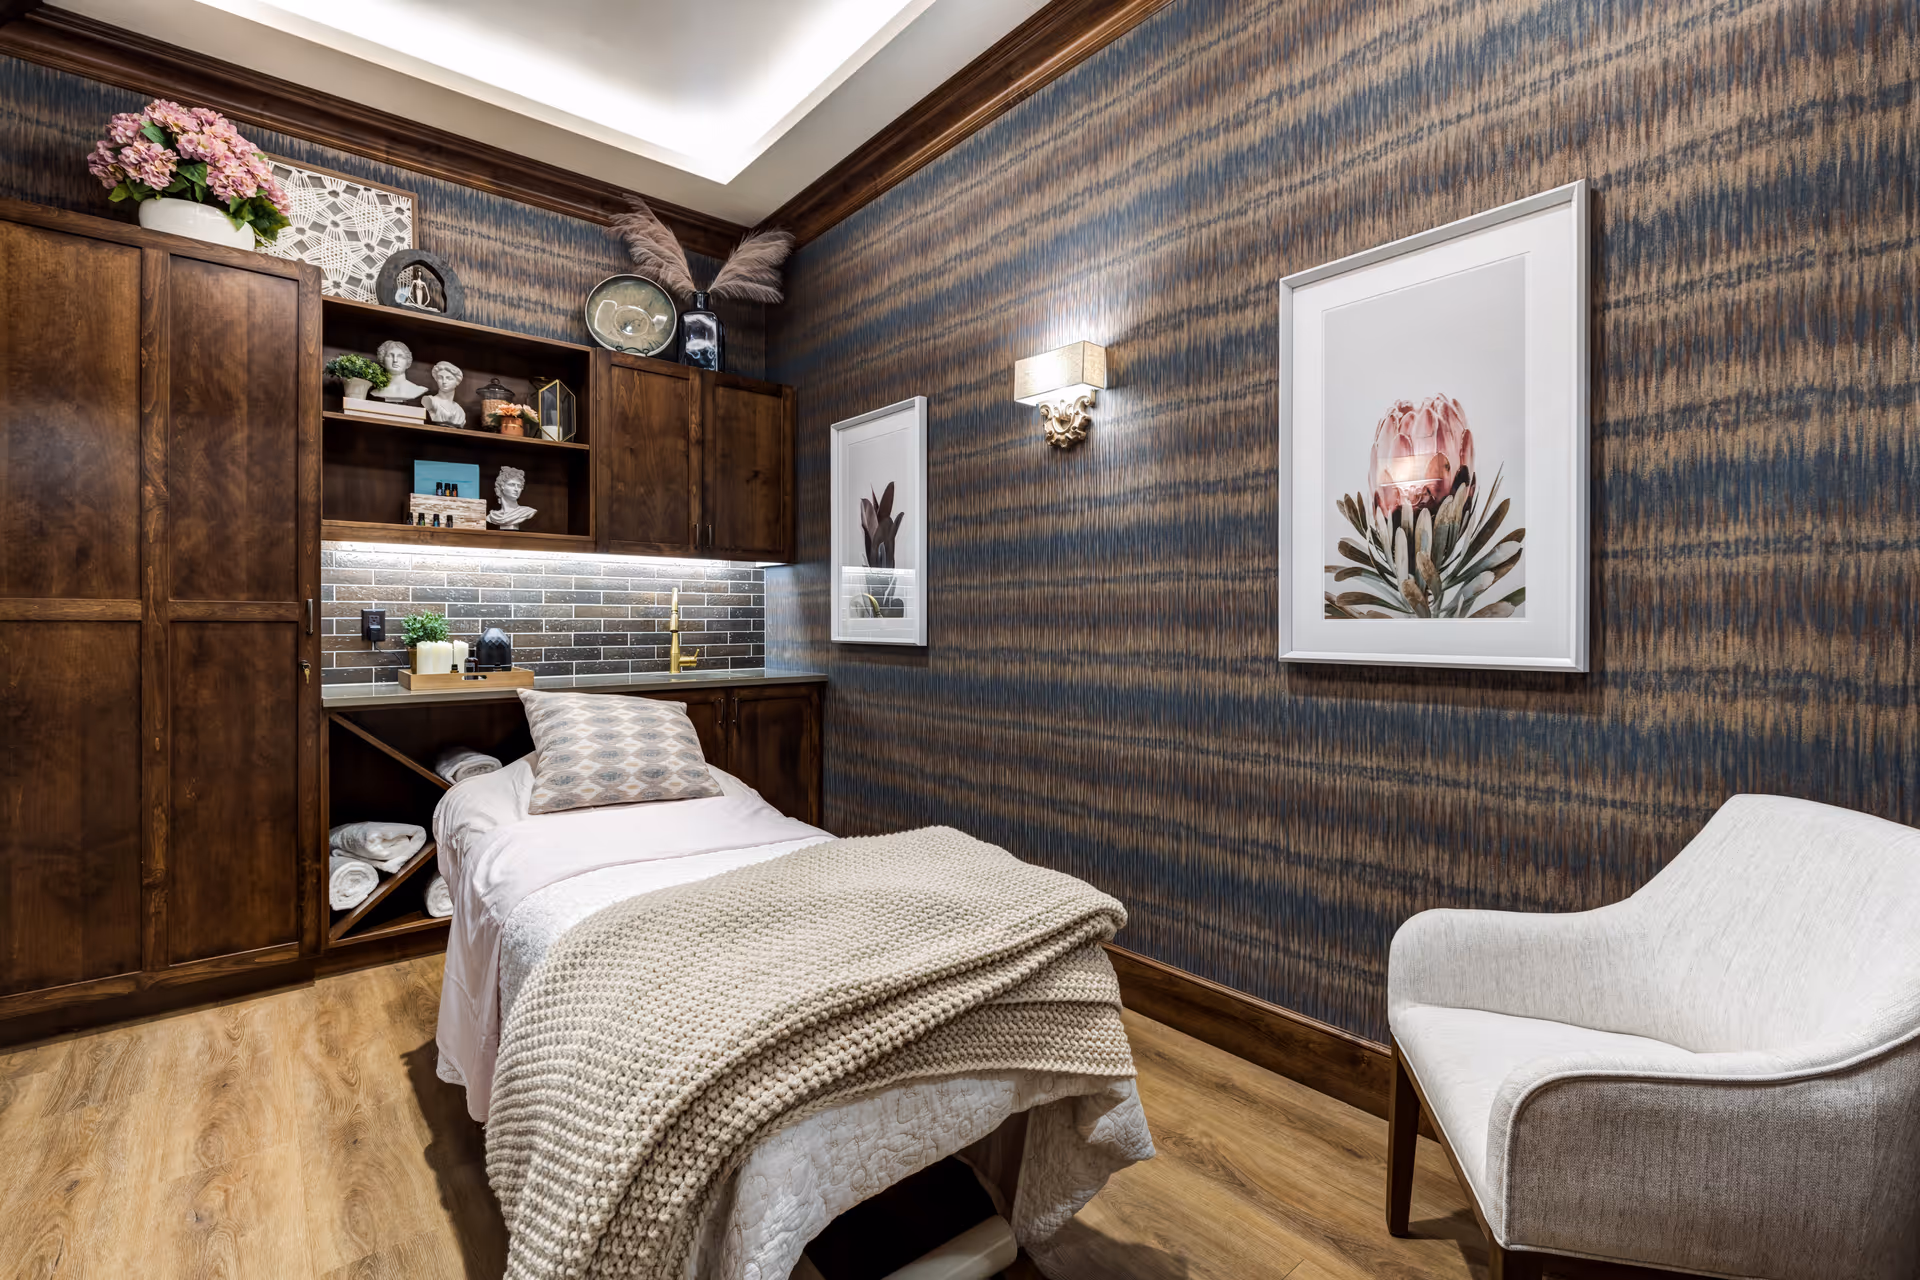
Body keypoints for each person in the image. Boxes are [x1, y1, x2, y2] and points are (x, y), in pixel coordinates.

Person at [486, 465, 537, 530]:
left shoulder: (527, 512)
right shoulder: (492, 516)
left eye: (519, 486)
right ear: (502, 486)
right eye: (512, 485)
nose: (516, 489)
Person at [422, 360, 465, 426]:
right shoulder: (430, 400)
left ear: (457, 382)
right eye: (440, 378)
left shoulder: (459, 410)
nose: (444, 381)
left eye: (449, 378)